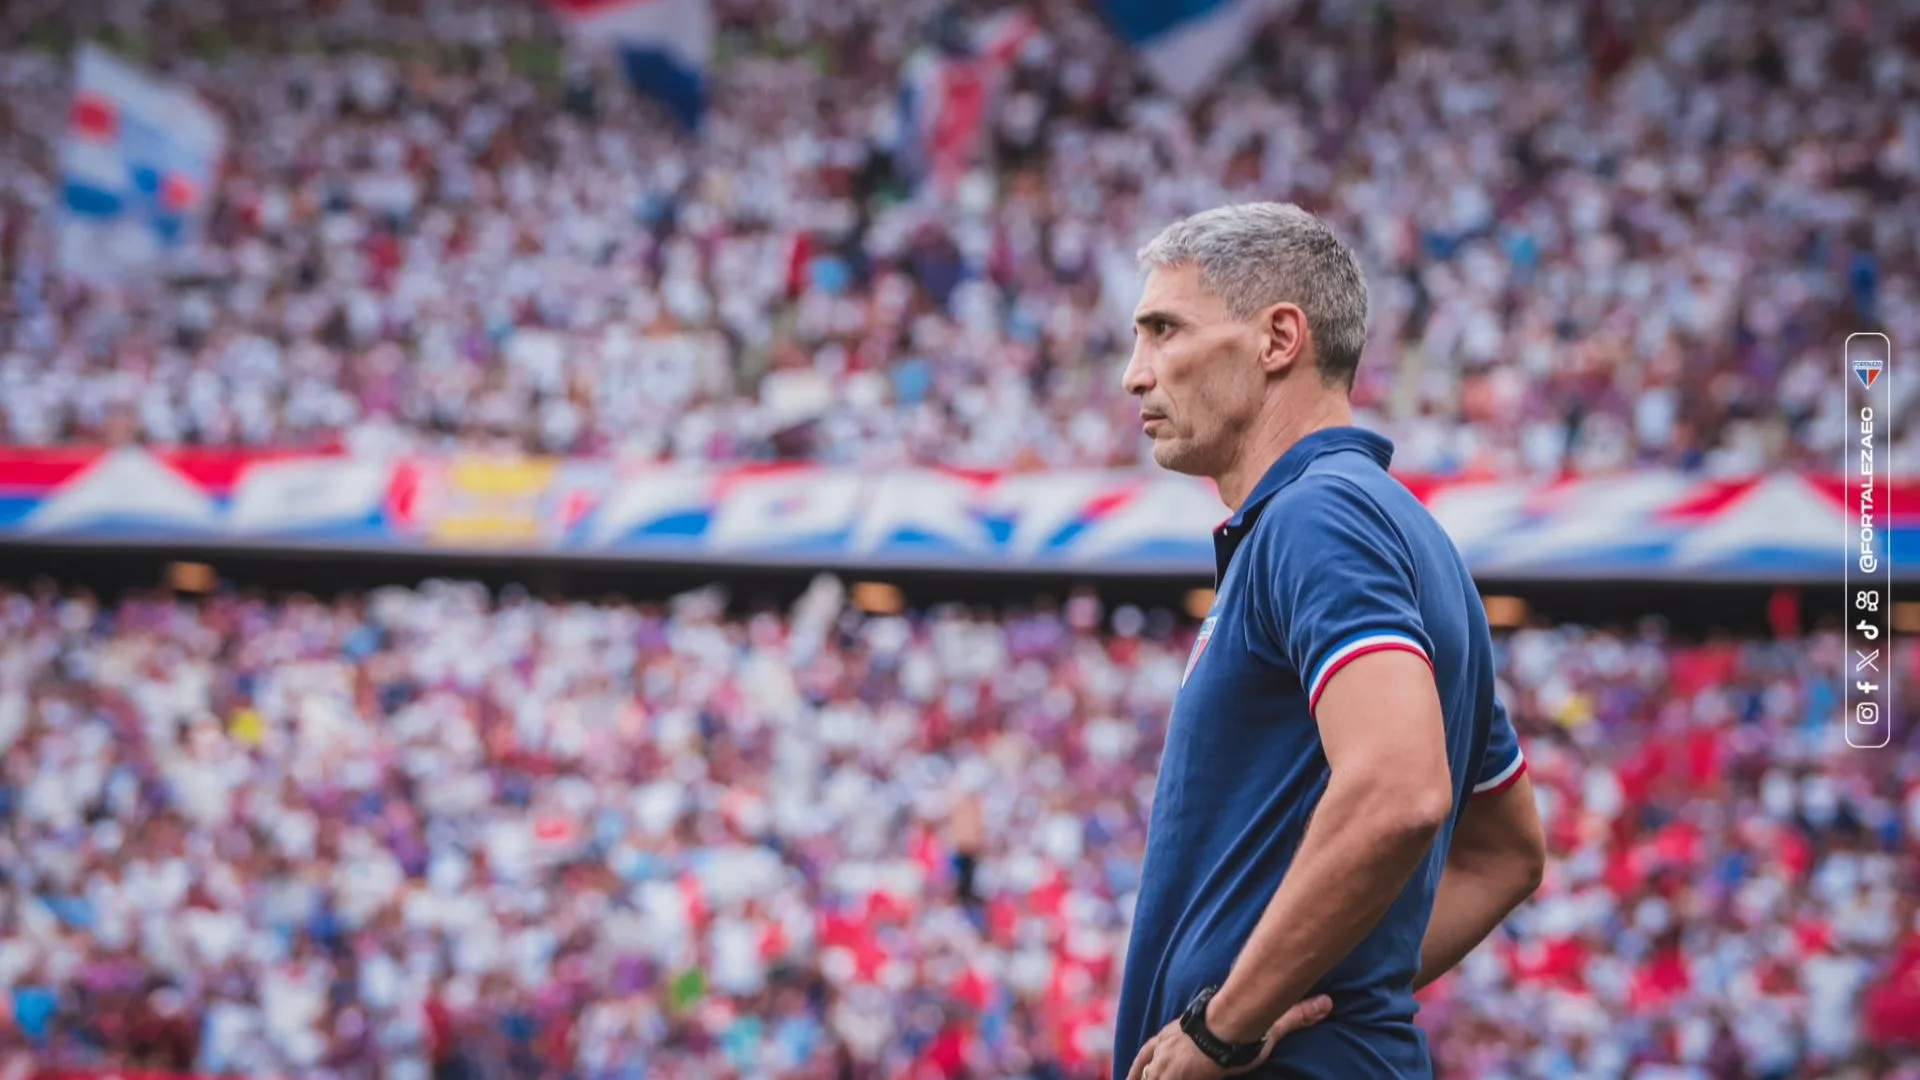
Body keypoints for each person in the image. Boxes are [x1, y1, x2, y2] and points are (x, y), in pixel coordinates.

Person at [1112, 203, 1547, 1080]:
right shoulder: (1404, 532)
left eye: (1165, 331)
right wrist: (1292, 983)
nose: (1135, 375)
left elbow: (1399, 787)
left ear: (1278, 339)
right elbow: (1507, 851)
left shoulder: (1320, 515)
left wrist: (1227, 1022)